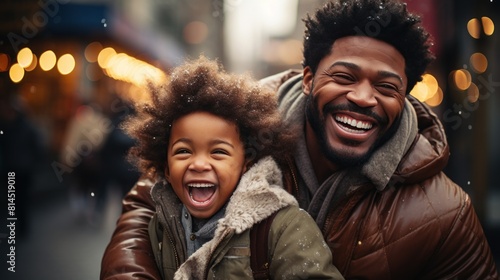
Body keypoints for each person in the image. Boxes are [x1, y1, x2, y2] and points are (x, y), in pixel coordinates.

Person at [101, 0, 499, 279]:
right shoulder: (235, 131)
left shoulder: (447, 214)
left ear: (405, 96)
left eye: (386, 86)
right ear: (309, 79)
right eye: (343, 77)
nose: (362, 97)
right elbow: (147, 202)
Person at [102, 56, 344, 279]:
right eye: (184, 151)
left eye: (218, 152)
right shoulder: (158, 224)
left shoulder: (283, 228)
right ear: (165, 167)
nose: (198, 163)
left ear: (245, 164)